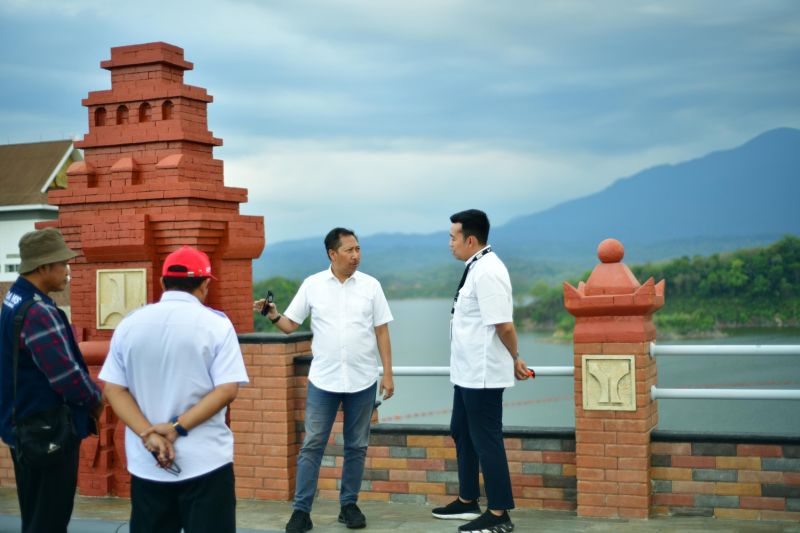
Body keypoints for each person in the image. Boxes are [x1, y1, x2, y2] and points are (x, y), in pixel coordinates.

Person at [99, 245, 249, 533]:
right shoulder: (216, 325)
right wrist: (176, 428)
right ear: (205, 284)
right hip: (206, 462)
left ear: (162, 282)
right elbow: (227, 390)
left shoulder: (130, 324)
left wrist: (148, 433)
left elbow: (114, 390)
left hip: (147, 462)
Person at [254, 227, 394, 533]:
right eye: (349, 250)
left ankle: (349, 505)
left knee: (356, 446)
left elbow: (382, 331)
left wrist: (388, 374)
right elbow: (290, 325)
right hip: (324, 382)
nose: (356, 255)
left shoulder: (371, 286)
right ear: (332, 254)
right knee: (313, 445)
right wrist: (273, 315)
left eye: (358, 249)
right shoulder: (312, 285)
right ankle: (301, 511)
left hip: (363, 380)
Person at [432, 209, 530, 533]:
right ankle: (468, 499)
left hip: (483, 375)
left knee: (487, 440)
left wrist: (516, 357)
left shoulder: (488, 271)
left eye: (452, 237)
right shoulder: (475, 267)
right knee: (461, 430)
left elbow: (504, 324)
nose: (449, 243)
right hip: (467, 372)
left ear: (470, 239)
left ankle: (500, 514)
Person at [0, 228, 103, 533]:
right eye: (61, 263)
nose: (66, 271)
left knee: (34, 518)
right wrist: (95, 399)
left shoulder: (14, 297)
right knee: (49, 522)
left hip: (23, 428)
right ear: (43, 267)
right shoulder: (39, 312)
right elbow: (66, 376)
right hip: (47, 433)